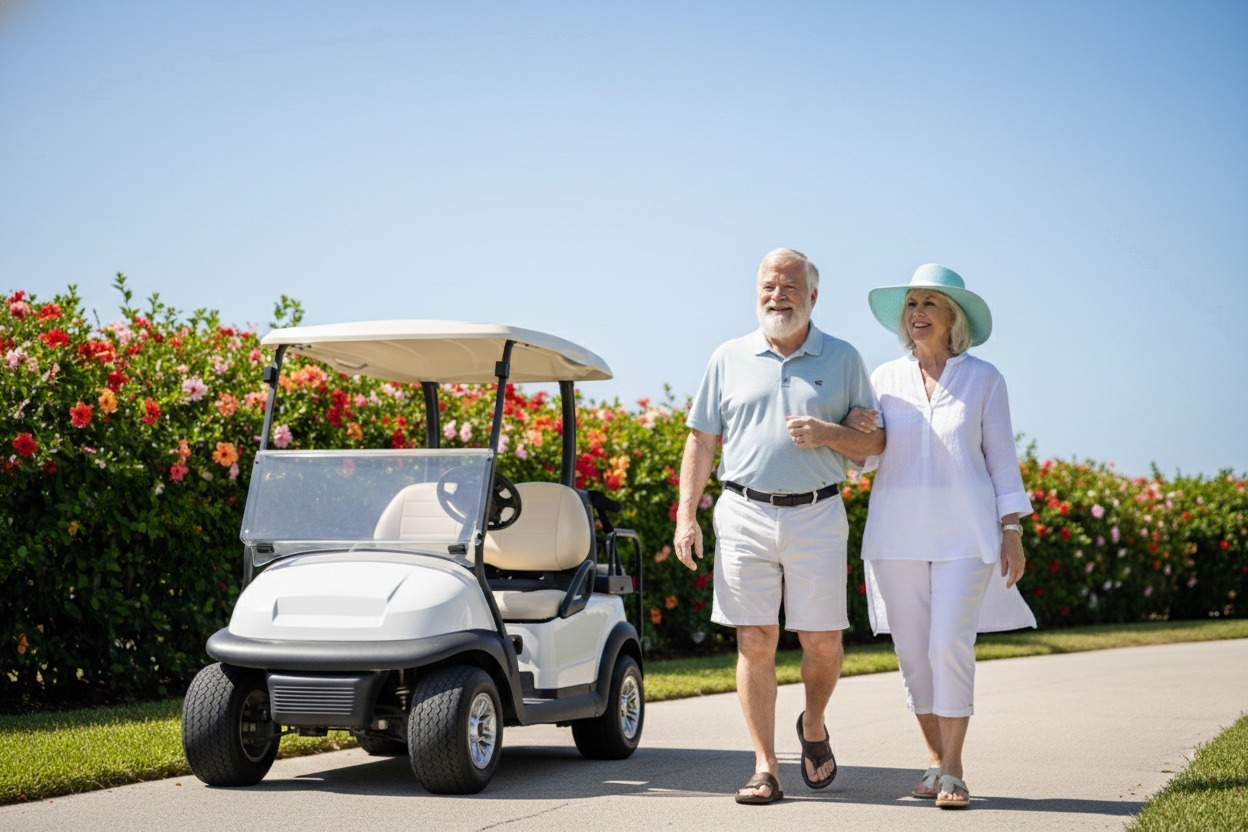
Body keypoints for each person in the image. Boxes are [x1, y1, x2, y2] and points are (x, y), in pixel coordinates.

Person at [674, 247, 884, 805]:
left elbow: (873, 443)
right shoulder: (728, 356)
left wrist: (830, 434)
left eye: (790, 287)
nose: (778, 295)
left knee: (821, 641)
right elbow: (701, 438)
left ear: (813, 296)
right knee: (755, 637)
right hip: (743, 511)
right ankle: (766, 766)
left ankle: (812, 724)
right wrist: (685, 514)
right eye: (769, 286)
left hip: (817, 511)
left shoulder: (843, 358)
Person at [843, 263, 1036, 810]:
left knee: (949, 643)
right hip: (894, 538)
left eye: (930, 303)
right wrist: (847, 434)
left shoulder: (985, 379)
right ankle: (933, 761)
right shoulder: (883, 379)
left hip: (965, 537)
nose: (918, 313)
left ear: (954, 317)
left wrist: (1012, 529)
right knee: (912, 653)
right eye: (911, 305)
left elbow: (1002, 464)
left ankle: (954, 770)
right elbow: (867, 458)